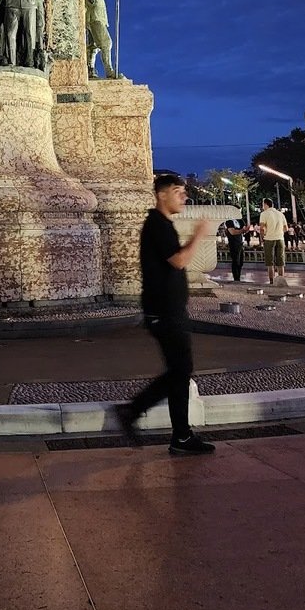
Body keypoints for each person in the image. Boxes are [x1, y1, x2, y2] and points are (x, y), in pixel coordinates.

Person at [115, 173, 215, 456]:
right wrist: (198, 235)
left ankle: (179, 435)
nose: (183, 196)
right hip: (164, 311)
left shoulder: (162, 225)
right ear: (161, 194)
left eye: (184, 191)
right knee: (180, 371)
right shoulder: (158, 225)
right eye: (177, 191)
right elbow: (179, 260)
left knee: (179, 371)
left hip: (169, 310)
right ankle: (136, 412)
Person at [258, 198, 288, 285]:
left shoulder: (264, 214)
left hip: (269, 239)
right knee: (280, 261)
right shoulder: (280, 214)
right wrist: (278, 232)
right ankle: (281, 281)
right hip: (280, 238)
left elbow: (262, 228)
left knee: (270, 262)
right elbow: (286, 228)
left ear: (266, 204)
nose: (263, 206)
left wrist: (263, 236)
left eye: (263, 204)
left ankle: (271, 281)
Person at [224, 217, 248, 282]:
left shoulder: (240, 220)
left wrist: (245, 230)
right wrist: (242, 231)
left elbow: (245, 228)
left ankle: (238, 276)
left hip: (240, 242)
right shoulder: (229, 221)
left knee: (240, 262)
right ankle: (236, 278)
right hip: (233, 243)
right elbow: (232, 232)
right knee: (235, 261)